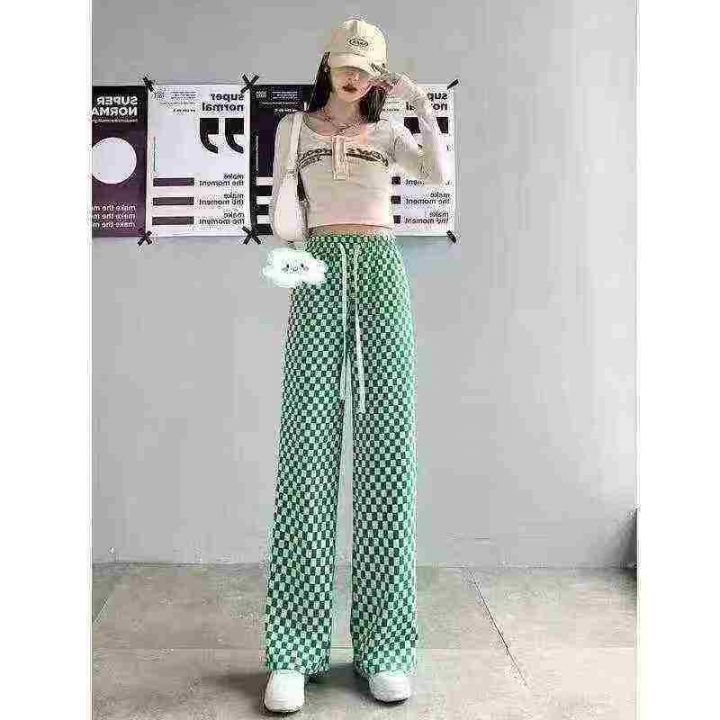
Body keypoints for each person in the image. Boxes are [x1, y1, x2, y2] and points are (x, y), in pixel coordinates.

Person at [262, 16, 451, 713]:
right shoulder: (295, 129)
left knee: (387, 451)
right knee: (306, 451)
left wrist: (421, 106)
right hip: (315, 265)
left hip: (380, 266)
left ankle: (385, 650)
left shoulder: (387, 132)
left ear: (378, 76)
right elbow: (283, 205)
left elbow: (437, 174)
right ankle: (293, 651)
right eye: (344, 63)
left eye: (365, 68)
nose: (352, 76)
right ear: (327, 65)